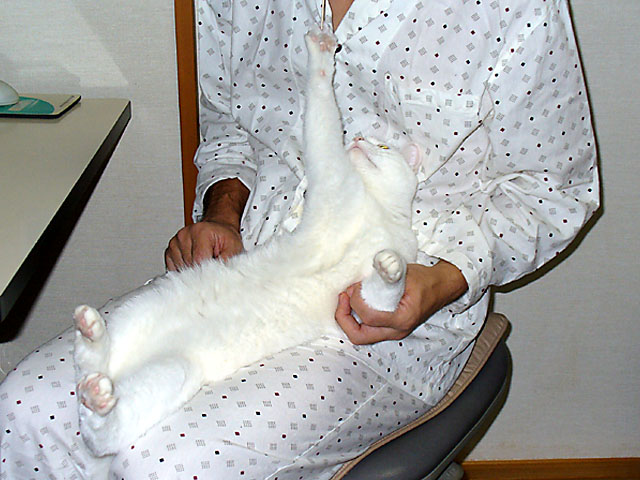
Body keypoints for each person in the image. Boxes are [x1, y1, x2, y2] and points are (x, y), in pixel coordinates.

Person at [0, 0, 599, 478]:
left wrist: (443, 279)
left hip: (388, 325)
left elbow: (558, 188)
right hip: (253, 271)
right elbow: (229, 119)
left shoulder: (510, 9)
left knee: (165, 465)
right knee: (24, 409)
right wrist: (223, 213)